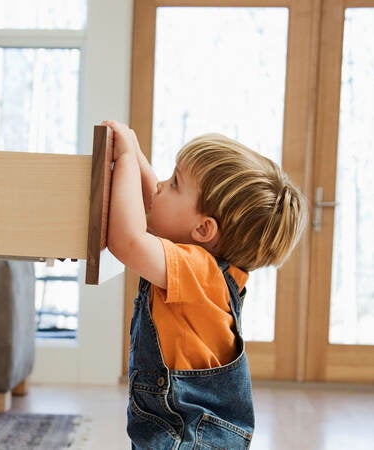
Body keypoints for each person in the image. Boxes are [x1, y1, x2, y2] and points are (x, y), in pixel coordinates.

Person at [103, 120, 307, 449]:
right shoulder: (203, 270)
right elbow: (156, 203)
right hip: (184, 432)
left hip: (191, 438)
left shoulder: (198, 270)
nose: (159, 186)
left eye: (175, 184)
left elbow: (126, 240)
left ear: (202, 229)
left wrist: (126, 160)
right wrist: (135, 152)